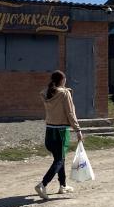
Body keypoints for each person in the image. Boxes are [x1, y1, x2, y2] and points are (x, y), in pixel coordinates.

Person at [35, 70, 84, 200]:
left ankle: (62, 185)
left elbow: (52, 91)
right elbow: (70, 113)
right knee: (59, 159)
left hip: (49, 132)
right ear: (63, 80)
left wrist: (64, 89)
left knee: (60, 157)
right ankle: (42, 184)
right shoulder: (64, 94)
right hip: (61, 132)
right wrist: (78, 130)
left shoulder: (46, 92)